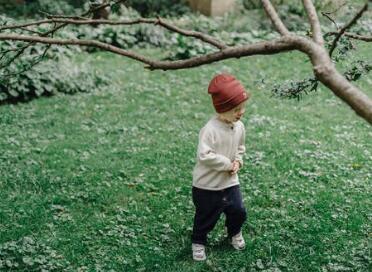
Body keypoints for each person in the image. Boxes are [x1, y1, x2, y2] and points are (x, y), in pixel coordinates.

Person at [191, 73, 251, 261]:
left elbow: (240, 148)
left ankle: (234, 232)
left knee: (238, 211)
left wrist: (238, 161)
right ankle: (198, 241)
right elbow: (204, 155)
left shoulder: (239, 126)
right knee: (206, 216)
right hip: (207, 185)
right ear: (221, 109)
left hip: (230, 181)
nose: (240, 112)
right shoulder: (210, 130)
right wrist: (227, 164)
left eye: (242, 107)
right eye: (235, 109)